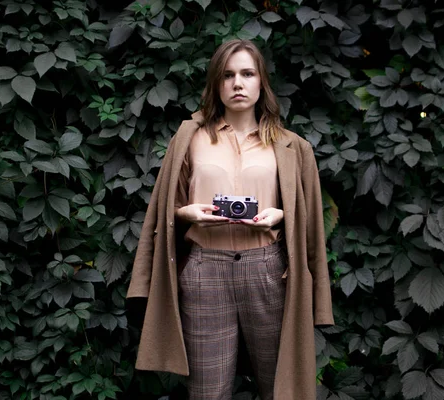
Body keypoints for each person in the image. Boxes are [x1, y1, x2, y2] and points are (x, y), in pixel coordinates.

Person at [127, 39, 334, 400]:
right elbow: (166, 207)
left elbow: (310, 222)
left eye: (247, 74)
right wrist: (187, 214)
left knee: (282, 389)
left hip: (269, 272)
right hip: (205, 272)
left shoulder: (291, 146)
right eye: (228, 75)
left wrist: (281, 215)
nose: (237, 83)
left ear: (261, 82)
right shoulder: (188, 138)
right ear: (216, 84)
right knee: (208, 393)